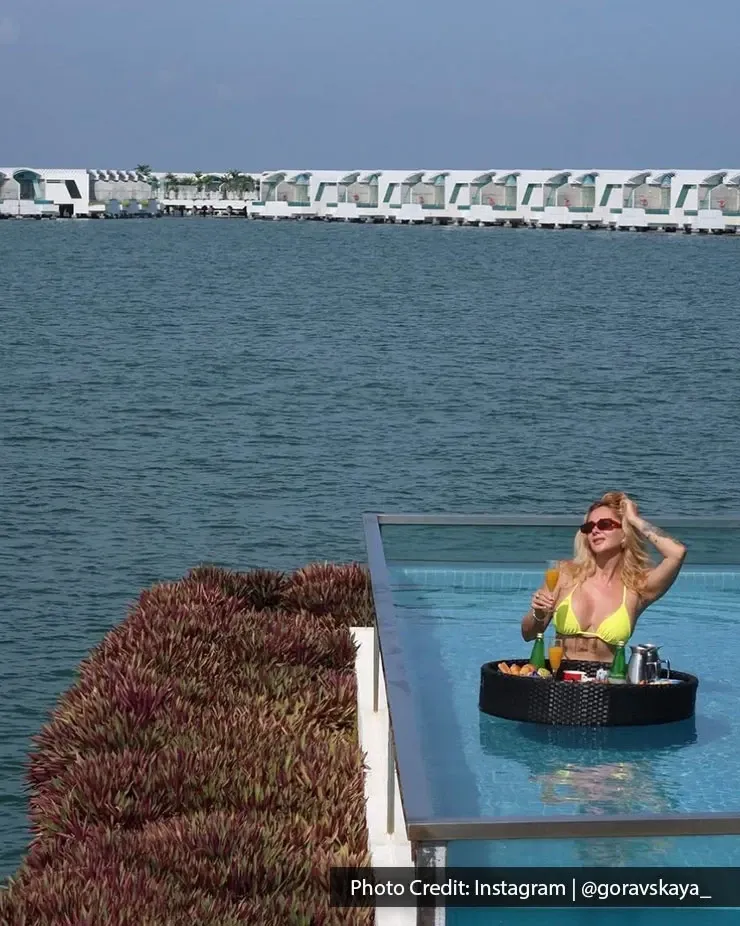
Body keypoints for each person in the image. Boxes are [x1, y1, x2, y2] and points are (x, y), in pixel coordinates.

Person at [520, 491, 687, 664]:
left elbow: (677, 553)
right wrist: (538, 613)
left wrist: (635, 520)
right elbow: (528, 634)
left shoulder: (637, 586)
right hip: (560, 680)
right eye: (589, 527)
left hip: (609, 683)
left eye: (605, 524)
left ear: (624, 534)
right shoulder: (565, 574)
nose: (595, 531)